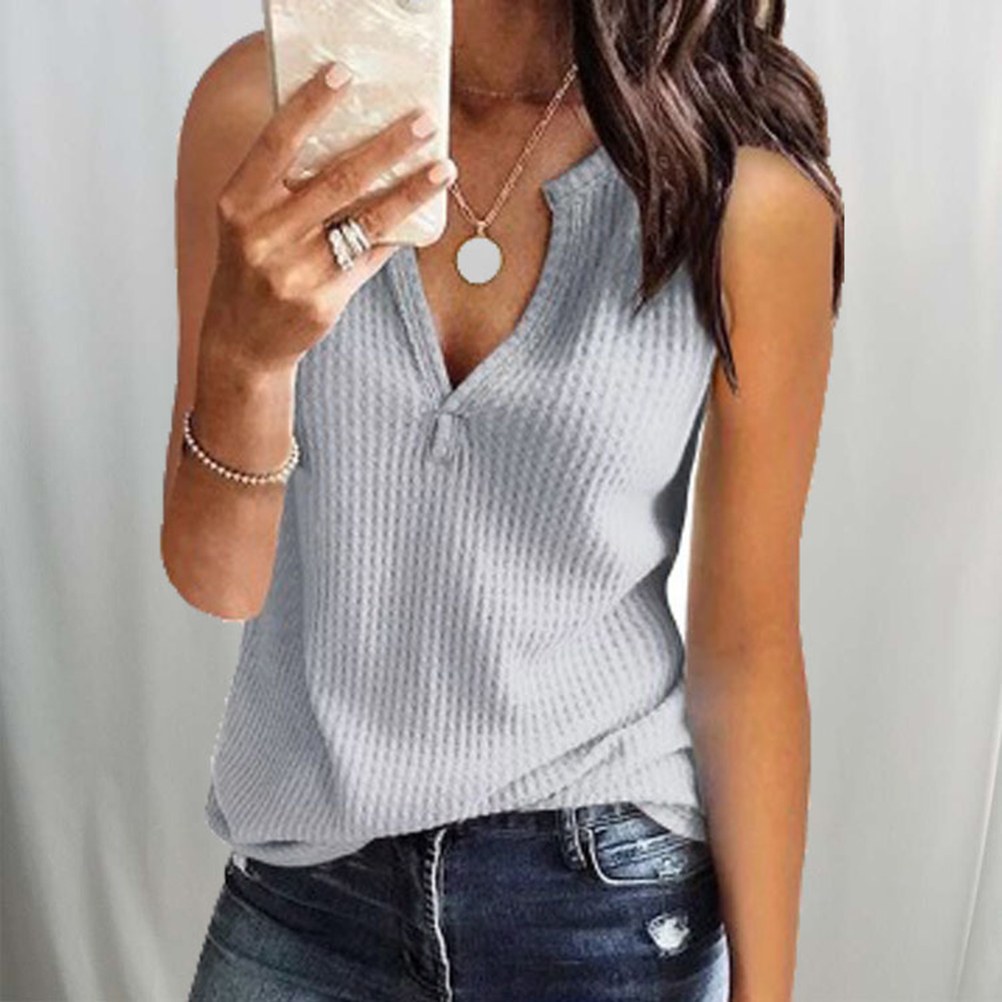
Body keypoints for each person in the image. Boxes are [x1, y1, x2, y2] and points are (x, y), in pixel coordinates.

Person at [162, 1, 842, 999]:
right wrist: (247, 362)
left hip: (605, 896)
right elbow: (215, 580)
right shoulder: (262, 112)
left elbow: (747, 645)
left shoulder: (739, 187)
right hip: (307, 899)